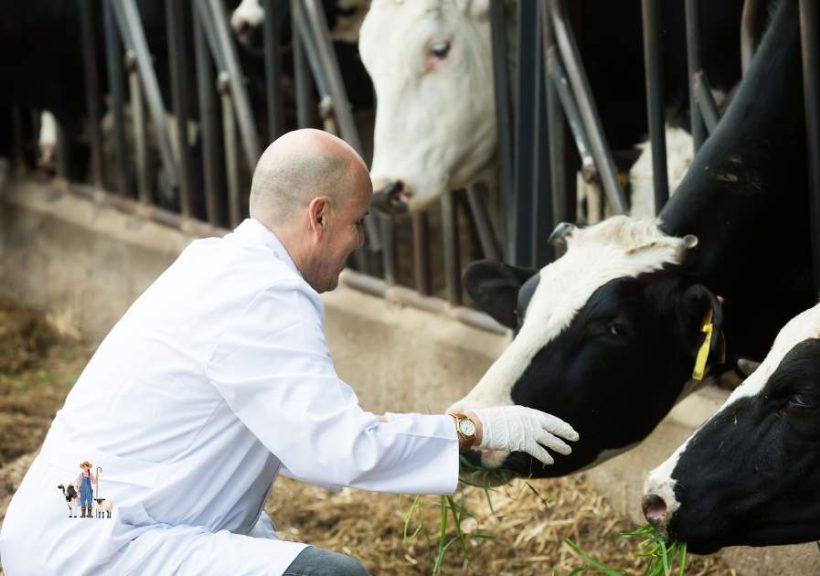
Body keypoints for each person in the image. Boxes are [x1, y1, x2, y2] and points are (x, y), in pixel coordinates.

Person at [0, 129, 578, 576]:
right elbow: (335, 449)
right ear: (319, 216)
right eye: (357, 222)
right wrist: (473, 430)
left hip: (76, 519)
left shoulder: (217, 264)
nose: (360, 241)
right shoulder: (264, 296)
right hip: (98, 544)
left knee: (262, 543)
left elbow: (302, 440)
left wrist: (448, 456)